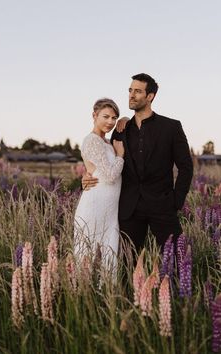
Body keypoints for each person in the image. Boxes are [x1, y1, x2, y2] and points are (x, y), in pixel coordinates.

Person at [82, 73, 193, 256]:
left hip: (163, 205)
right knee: (126, 265)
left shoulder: (171, 127)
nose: (131, 95)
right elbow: (103, 163)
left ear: (150, 96)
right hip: (129, 208)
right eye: (130, 90)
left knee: (176, 260)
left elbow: (186, 167)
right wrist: (87, 178)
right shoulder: (120, 130)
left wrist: (176, 201)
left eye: (138, 91)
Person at [74, 98, 124, 273]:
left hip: (109, 209)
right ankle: (83, 296)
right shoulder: (92, 141)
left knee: (107, 257)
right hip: (95, 205)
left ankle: (105, 296)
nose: (110, 122)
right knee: (87, 258)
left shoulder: (106, 142)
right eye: (106, 116)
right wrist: (120, 156)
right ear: (94, 115)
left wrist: (124, 119)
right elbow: (110, 176)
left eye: (114, 118)